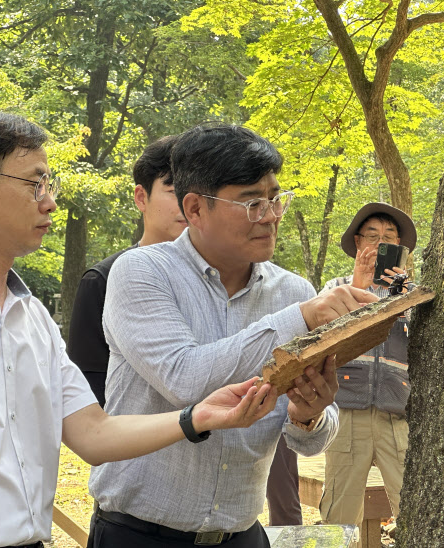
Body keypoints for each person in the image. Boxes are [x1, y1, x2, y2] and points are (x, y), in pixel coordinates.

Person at [0, 110, 281, 548]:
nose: (50, 200)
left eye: (50, 183)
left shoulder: (32, 317)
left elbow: (93, 435)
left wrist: (197, 417)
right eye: (35, 183)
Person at [87, 123, 379, 548]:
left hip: (242, 534)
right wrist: (301, 319)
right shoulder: (142, 272)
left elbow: (310, 441)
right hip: (139, 533)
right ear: (195, 208)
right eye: (252, 204)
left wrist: (308, 414)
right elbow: (183, 378)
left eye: (275, 199)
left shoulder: (293, 291)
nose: (273, 215)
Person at [318, 202, 417, 547]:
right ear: (358, 243)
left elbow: (423, 348)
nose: (380, 243)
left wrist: (405, 301)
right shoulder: (336, 286)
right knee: (339, 514)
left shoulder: (410, 296)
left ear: (401, 250)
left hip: (396, 414)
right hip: (347, 414)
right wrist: (359, 284)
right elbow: (321, 337)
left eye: (389, 237)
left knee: (415, 507)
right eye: (372, 236)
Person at [67, 135, 186, 406]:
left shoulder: (226, 277)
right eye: (175, 191)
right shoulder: (101, 281)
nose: (189, 204)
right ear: (141, 197)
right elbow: (89, 396)